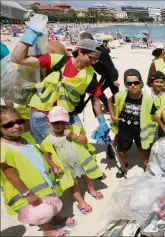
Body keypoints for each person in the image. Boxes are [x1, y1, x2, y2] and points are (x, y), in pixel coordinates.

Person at [11, 35, 105, 144]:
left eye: (96, 59)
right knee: (47, 147)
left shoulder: (90, 75)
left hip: (67, 115)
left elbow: (95, 100)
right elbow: (17, 58)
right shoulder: (56, 60)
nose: (93, 62)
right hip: (42, 114)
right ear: (80, 51)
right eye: (91, 57)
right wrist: (30, 34)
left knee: (78, 143)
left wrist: (101, 122)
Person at [0, 106, 75, 237]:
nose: (16, 126)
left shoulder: (26, 136)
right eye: (9, 125)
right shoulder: (3, 149)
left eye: (19, 121)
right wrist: (27, 193)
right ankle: (47, 230)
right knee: (38, 211)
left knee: (50, 200)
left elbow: (39, 151)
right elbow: (11, 176)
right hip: (27, 188)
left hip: (43, 180)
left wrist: (52, 164)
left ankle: (56, 218)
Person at [40, 106, 103, 215]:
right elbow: (45, 154)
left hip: (80, 162)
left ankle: (92, 190)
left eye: (62, 122)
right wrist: (54, 166)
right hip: (66, 167)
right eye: (55, 123)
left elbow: (84, 141)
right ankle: (81, 202)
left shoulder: (74, 130)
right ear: (48, 122)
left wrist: (73, 135)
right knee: (74, 185)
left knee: (87, 177)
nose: (59, 126)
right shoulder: (47, 141)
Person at [108, 69, 155, 178]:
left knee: (142, 149)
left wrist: (164, 126)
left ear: (141, 83)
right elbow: (109, 101)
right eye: (129, 83)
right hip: (124, 128)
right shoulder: (120, 95)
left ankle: (146, 164)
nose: (133, 85)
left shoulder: (147, 99)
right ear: (125, 85)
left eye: (136, 83)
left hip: (140, 129)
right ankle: (124, 165)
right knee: (122, 151)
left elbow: (154, 114)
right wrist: (112, 115)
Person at [147, 71, 165, 142]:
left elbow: (163, 109)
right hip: (147, 123)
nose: (159, 84)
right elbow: (152, 114)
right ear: (152, 82)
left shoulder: (162, 94)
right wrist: (164, 128)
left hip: (156, 123)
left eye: (161, 82)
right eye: (157, 81)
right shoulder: (147, 93)